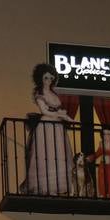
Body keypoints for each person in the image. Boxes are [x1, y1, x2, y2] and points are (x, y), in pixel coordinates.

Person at [23, 63, 72, 196]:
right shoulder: (40, 93)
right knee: (47, 154)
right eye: (46, 78)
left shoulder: (53, 94)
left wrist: (66, 117)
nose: (49, 80)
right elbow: (45, 110)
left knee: (58, 155)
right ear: (40, 78)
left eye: (51, 78)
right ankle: (45, 187)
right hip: (47, 126)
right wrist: (59, 115)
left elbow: (57, 110)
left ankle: (57, 186)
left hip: (57, 128)